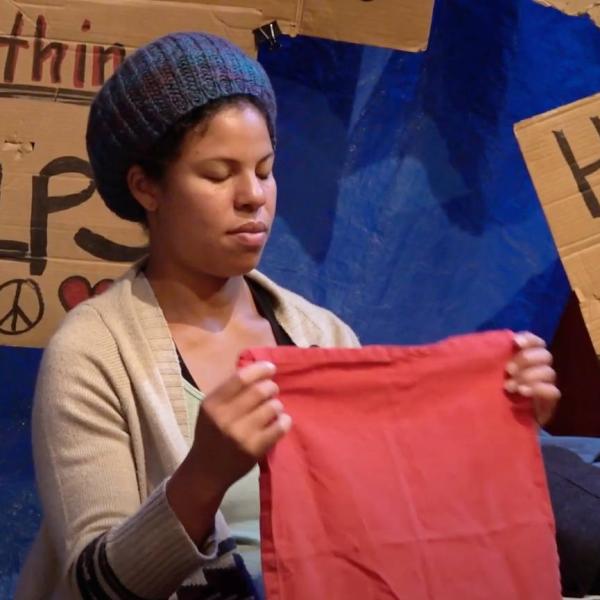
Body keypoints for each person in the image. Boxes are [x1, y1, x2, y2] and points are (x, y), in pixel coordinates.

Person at [15, 32, 560, 600]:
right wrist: (203, 475)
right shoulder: (94, 353)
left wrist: (503, 422)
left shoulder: (323, 337)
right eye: (218, 174)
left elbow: (403, 517)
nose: (254, 196)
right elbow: (94, 586)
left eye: (265, 169)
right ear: (146, 186)